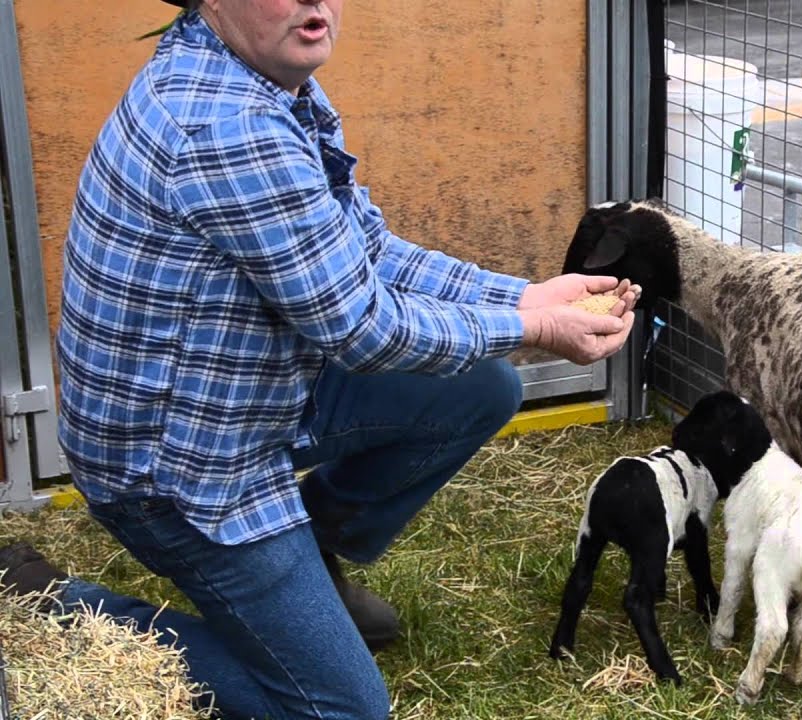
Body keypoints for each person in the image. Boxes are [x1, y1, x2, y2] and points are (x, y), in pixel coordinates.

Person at [0, 0, 639, 718]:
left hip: (244, 390)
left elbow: (361, 252)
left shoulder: (265, 76)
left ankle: (312, 561)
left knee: (479, 386)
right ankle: (67, 607)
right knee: (341, 709)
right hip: (175, 470)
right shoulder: (229, 127)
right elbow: (363, 327)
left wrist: (522, 295)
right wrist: (533, 325)